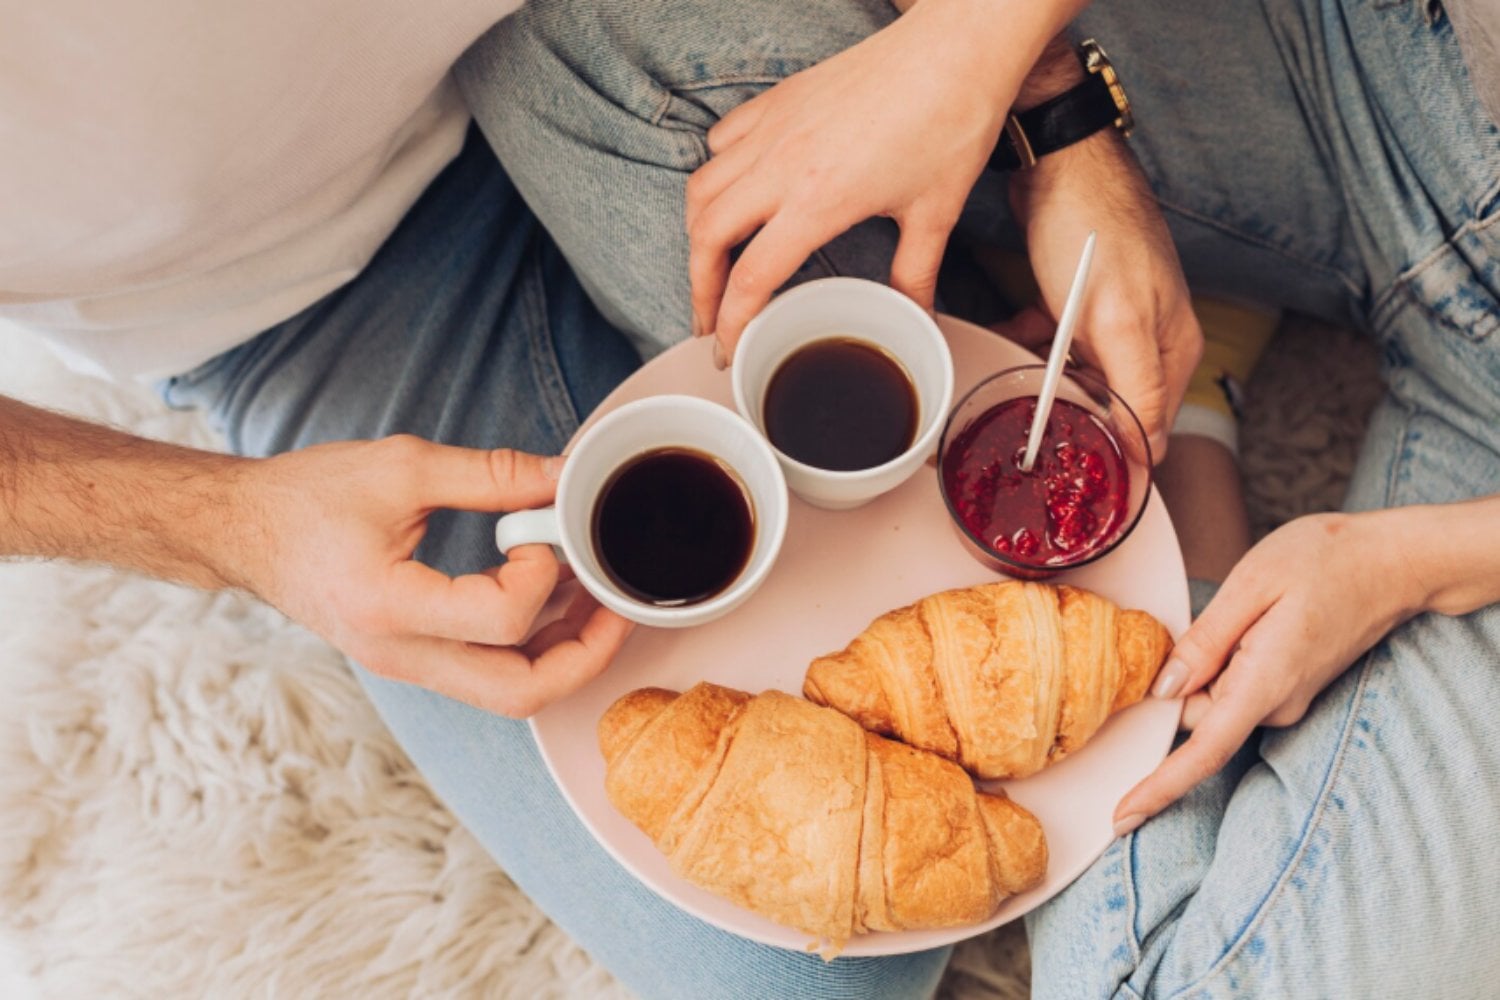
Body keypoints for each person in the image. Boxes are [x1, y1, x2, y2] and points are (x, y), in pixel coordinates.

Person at [5, 0, 1498, 995]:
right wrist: (229, 527)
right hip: (300, 300)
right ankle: (1172, 421)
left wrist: (1030, 87)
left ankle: (1166, 427)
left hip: (572, 36)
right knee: (810, 965)